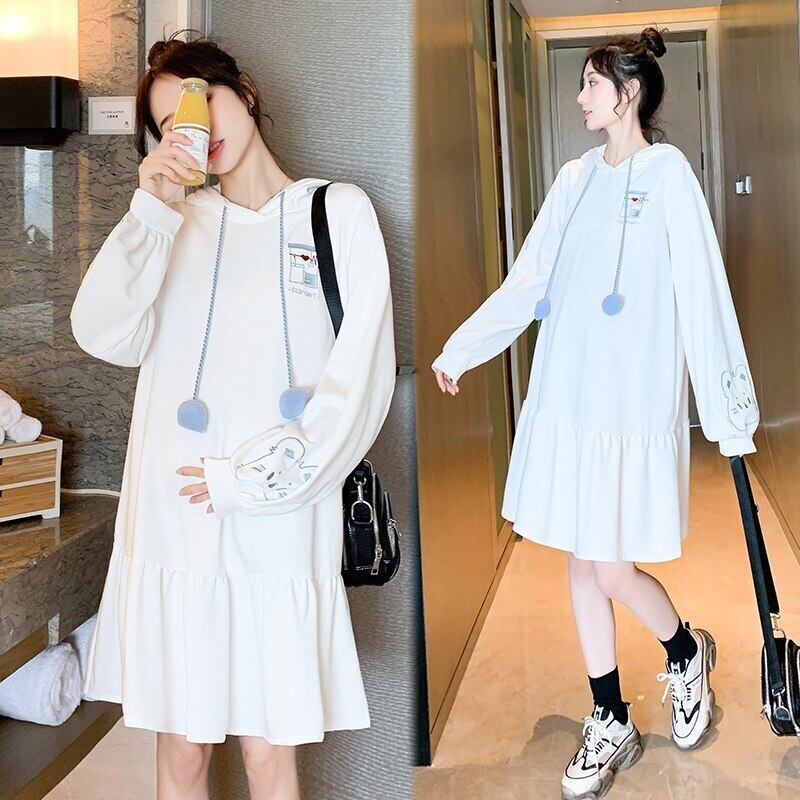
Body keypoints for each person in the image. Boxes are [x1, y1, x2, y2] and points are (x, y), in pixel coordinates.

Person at [431, 26, 759, 800]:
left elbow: (703, 293)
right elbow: (531, 277)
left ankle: (685, 653)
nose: (580, 97)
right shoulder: (574, 178)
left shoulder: (670, 174)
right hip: (571, 392)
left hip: (630, 399)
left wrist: (728, 412)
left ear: (629, 93)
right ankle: (609, 715)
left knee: (610, 566)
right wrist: (463, 348)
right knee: (582, 561)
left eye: (591, 83)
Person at [70, 30, 396, 800]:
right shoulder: (173, 223)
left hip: (278, 525)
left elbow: (360, 386)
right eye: (169, 122)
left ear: (242, 92)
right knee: (182, 754)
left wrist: (246, 482)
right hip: (176, 528)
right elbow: (100, 332)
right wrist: (151, 207)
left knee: (267, 756)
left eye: (202, 97)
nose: (195, 125)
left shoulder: (337, 213)